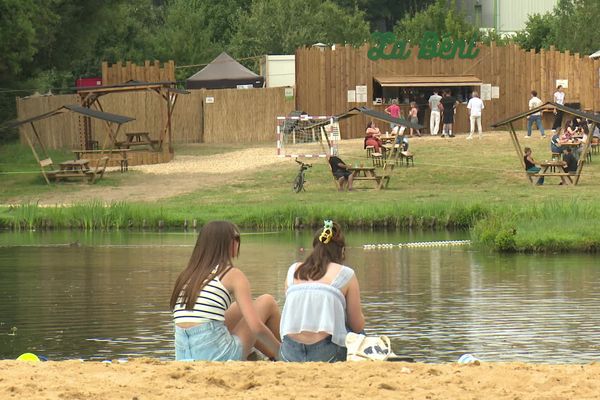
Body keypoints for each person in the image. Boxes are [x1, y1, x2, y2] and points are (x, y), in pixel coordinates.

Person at [171, 221, 281, 361]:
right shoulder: (232, 274)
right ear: (225, 243)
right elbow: (256, 327)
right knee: (267, 301)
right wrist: (281, 349)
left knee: (240, 308)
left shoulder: (188, 274)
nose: (238, 242)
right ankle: (284, 355)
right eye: (236, 238)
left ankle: (273, 356)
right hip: (216, 355)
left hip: (183, 354)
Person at [279, 220, 365, 362]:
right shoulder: (346, 274)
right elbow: (357, 325)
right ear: (342, 250)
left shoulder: (293, 270)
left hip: (289, 353)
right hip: (326, 354)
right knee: (359, 333)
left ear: (314, 248)